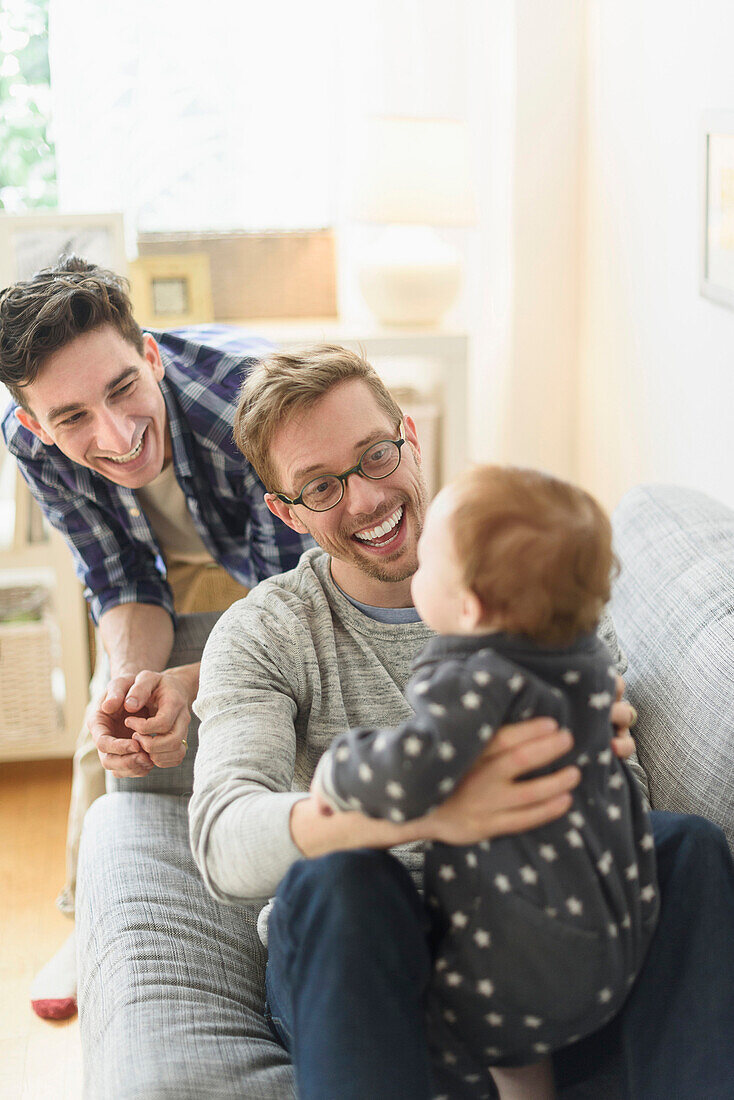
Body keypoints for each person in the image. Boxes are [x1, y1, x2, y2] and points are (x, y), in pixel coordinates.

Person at [191, 344, 734, 1099]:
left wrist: (582, 774)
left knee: (686, 849)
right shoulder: (268, 633)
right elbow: (223, 837)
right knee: (337, 878)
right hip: (374, 971)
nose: (365, 499)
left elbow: (629, 793)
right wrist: (426, 810)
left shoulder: (534, 582)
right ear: (285, 511)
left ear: (410, 436)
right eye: (320, 486)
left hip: (541, 946)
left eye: (376, 455)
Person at [0, 256, 312, 1019]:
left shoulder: (253, 402)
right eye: (72, 417)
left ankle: (282, 883)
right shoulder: (29, 440)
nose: (115, 434)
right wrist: (136, 689)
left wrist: (190, 685)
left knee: (281, 702)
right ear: (37, 423)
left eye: (122, 390)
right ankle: (89, 913)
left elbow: (294, 604)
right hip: (168, 554)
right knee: (105, 722)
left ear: (150, 355)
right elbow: (120, 579)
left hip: (287, 552)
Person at [310, 465, 659, 1099]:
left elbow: (410, 770)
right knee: (525, 1050)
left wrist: (339, 768)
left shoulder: (476, 680)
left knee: (458, 1025)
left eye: (428, 566)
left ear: (468, 607)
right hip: (614, 945)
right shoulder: (585, 662)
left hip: (515, 966)